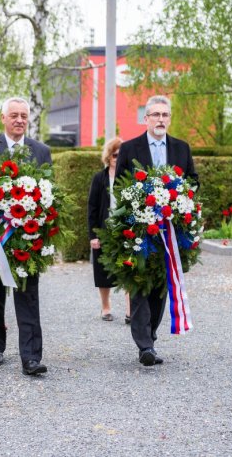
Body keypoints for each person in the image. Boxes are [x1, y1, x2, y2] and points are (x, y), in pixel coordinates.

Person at [115, 95, 198, 366]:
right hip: (139, 229)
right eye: (156, 114)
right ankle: (144, 345)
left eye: (165, 114)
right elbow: (119, 187)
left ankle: (150, 335)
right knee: (139, 284)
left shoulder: (182, 148)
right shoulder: (129, 148)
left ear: (169, 118)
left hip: (172, 231)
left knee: (162, 286)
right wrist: (139, 204)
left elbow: (193, 181)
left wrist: (182, 199)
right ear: (146, 118)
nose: (161, 119)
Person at [0, 97, 52, 376]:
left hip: (27, 238)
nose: (19, 120)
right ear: (3, 118)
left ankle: (31, 357)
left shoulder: (41, 151)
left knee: (28, 295)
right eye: (14, 115)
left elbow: (49, 192)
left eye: (24, 115)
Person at [88, 137, 131, 324]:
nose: (117, 158)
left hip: (126, 231)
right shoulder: (99, 178)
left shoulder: (130, 177)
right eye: (114, 155)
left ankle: (130, 311)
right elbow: (92, 209)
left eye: (121, 155)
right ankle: (106, 307)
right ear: (108, 156)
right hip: (104, 230)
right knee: (103, 271)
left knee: (129, 269)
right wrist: (93, 235)